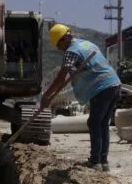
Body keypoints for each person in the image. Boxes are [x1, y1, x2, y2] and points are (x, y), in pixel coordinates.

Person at [41, 23, 121, 171]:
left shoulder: (71, 51)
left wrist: (47, 95)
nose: (59, 49)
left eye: (59, 45)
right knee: (102, 124)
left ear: (64, 38)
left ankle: (95, 162)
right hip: (114, 84)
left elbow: (61, 77)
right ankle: (103, 162)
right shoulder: (86, 44)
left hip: (102, 88)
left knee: (94, 123)